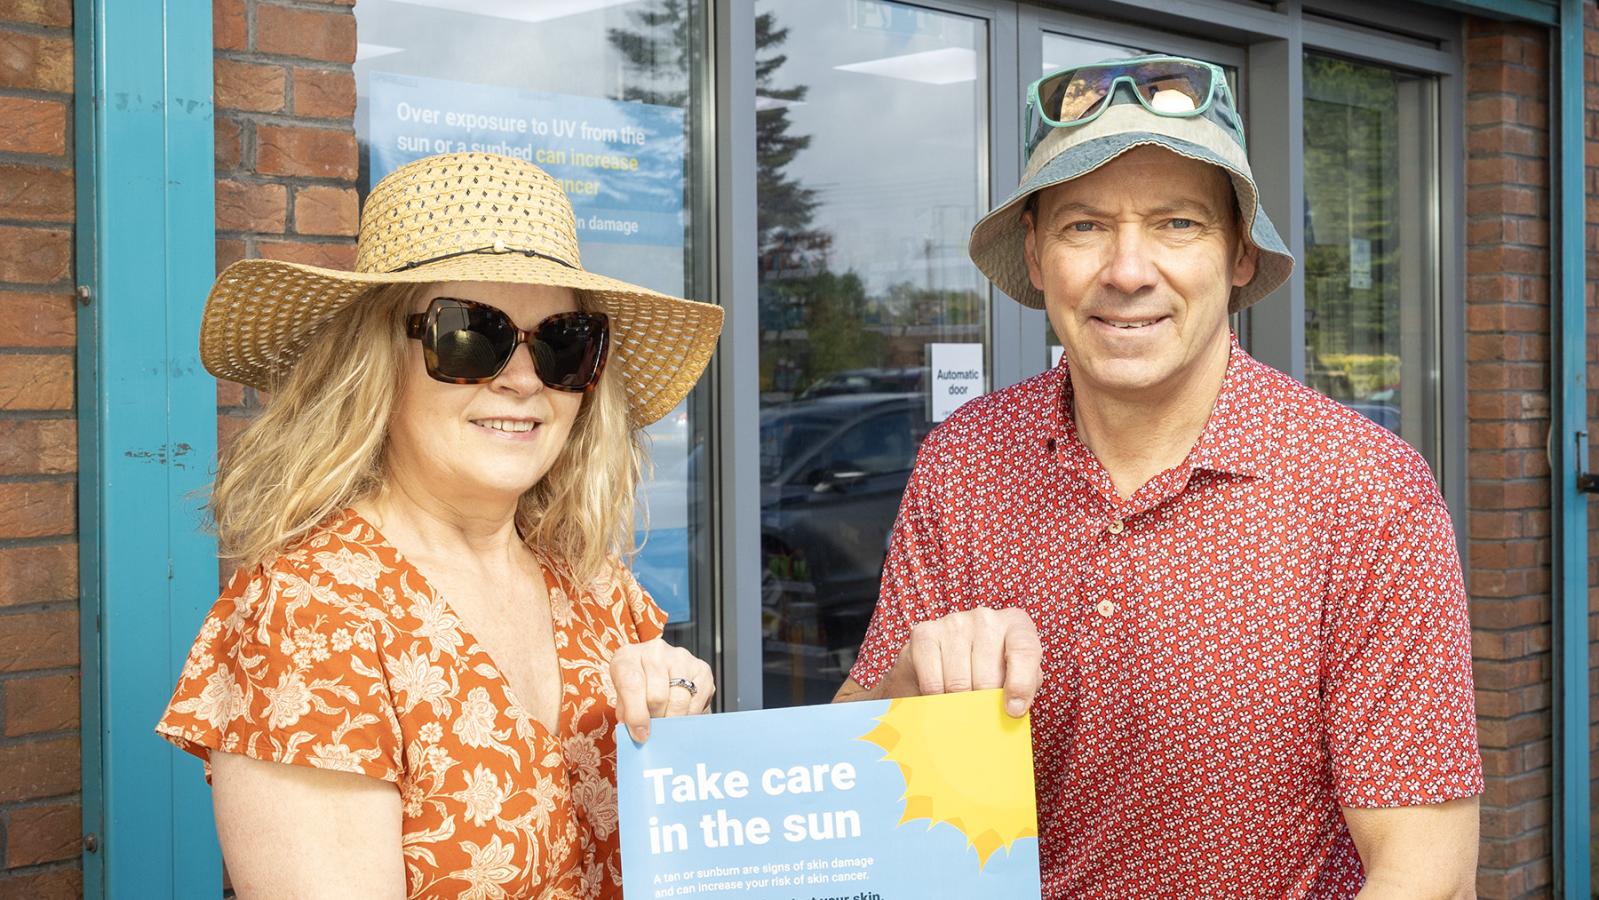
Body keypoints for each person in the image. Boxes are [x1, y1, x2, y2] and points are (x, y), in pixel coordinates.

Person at [834, 55, 1481, 896]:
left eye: (1177, 224)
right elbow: (848, 778)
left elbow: (1424, 865)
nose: (1128, 270)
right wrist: (908, 689)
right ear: (1034, 257)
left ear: (1239, 255)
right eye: (1083, 227)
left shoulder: (1361, 488)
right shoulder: (965, 461)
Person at [157, 152, 724, 898]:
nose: (522, 379)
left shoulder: (594, 584)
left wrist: (681, 714)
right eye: (469, 337)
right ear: (371, 364)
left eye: (563, 343)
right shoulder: (310, 614)